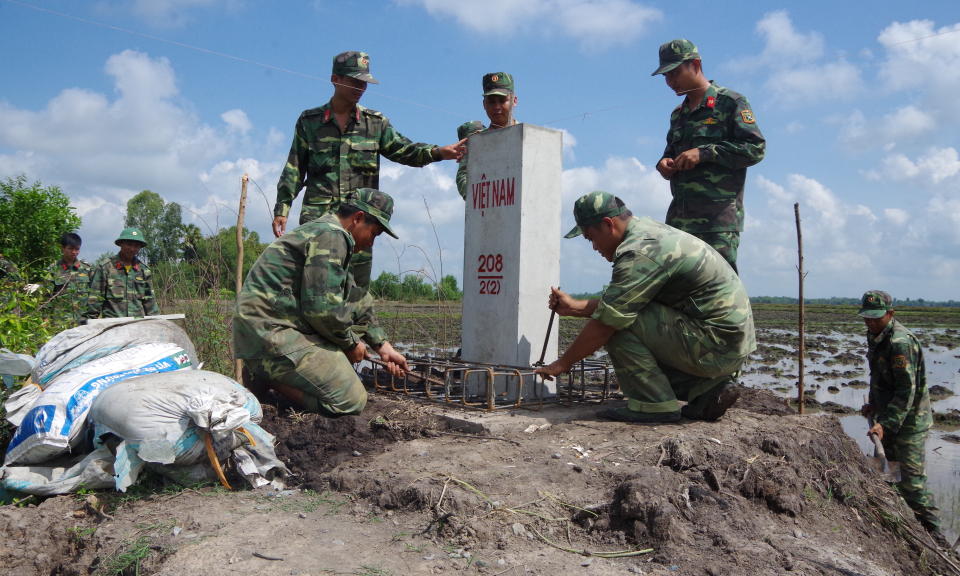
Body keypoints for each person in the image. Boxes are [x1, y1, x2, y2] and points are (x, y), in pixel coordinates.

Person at [535, 191, 755, 423]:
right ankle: (705, 389)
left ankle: (654, 404)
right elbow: (629, 301)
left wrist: (561, 364)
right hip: (729, 345)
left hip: (717, 347)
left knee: (617, 323)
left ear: (608, 224)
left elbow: (607, 321)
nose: (593, 247)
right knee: (624, 314)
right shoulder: (650, 233)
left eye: (590, 238)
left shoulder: (639, 252)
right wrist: (574, 307)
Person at [273, 51, 466, 291]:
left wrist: (438, 152)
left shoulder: (374, 123)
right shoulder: (309, 122)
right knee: (313, 291)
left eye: (364, 82)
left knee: (355, 296)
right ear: (335, 79)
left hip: (359, 229)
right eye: (355, 81)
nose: (361, 87)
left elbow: (403, 150)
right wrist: (282, 207)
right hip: (318, 224)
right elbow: (294, 167)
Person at [235, 188, 409, 418]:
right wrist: (350, 344)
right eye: (374, 233)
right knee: (350, 399)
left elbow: (357, 300)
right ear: (357, 218)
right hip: (270, 333)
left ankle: (271, 374)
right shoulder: (332, 236)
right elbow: (322, 310)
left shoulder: (330, 233)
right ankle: (266, 375)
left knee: (348, 338)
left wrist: (383, 347)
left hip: (275, 327)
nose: (371, 243)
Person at [652, 39, 765, 274]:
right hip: (679, 221)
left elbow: (755, 148)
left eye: (674, 73)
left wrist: (705, 153)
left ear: (695, 64)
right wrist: (663, 165)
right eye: (665, 76)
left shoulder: (730, 103)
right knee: (679, 292)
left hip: (717, 223)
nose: (670, 81)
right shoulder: (678, 114)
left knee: (719, 291)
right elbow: (669, 154)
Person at [858, 290, 944, 543]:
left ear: (890, 314)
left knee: (911, 482)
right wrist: (873, 405)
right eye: (867, 318)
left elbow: (907, 390)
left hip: (909, 424)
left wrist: (886, 423)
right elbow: (882, 377)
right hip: (887, 417)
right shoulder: (876, 336)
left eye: (877, 318)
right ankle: (896, 531)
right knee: (886, 473)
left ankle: (935, 538)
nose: (871, 323)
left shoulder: (900, 343)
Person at [455, 73, 517, 200]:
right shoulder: (476, 141)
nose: (497, 107)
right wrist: (477, 197)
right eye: (491, 102)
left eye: (502, 101)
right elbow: (463, 175)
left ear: (514, 101)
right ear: (484, 104)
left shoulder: (526, 136)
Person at [84, 228, 159, 320]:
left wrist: (155, 322)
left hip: (137, 324)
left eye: (136, 245)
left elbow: (149, 301)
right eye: (129, 244)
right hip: (112, 325)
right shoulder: (105, 268)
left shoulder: (144, 270)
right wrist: (90, 323)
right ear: (120, 244)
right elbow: (95, 299)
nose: (132, 249)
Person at [44, 232, 91, 323]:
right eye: (70, 248)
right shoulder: (53, 269)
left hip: (83, 318)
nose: (74, 252)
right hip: (61, 319)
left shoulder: (86, 269)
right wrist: (45, 318)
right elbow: (46, 296)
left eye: (77, 249)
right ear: (62, 248)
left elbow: (94, 293)